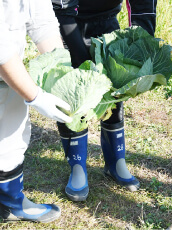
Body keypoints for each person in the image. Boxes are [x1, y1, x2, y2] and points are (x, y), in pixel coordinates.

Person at [51, 0, 157, 202]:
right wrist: (83, 62)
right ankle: (77, 166)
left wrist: (141, 43)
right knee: (73, 96)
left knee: (114, 91)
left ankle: (116, 162)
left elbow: (143, 5)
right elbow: (62, 10)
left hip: (107, 23)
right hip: (69, 26)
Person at [0, 0, 72, 222]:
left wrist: (62, 76)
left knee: (11, 131)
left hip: (8, 66)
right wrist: (36, 96)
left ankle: (9, 202)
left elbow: (41, 18)